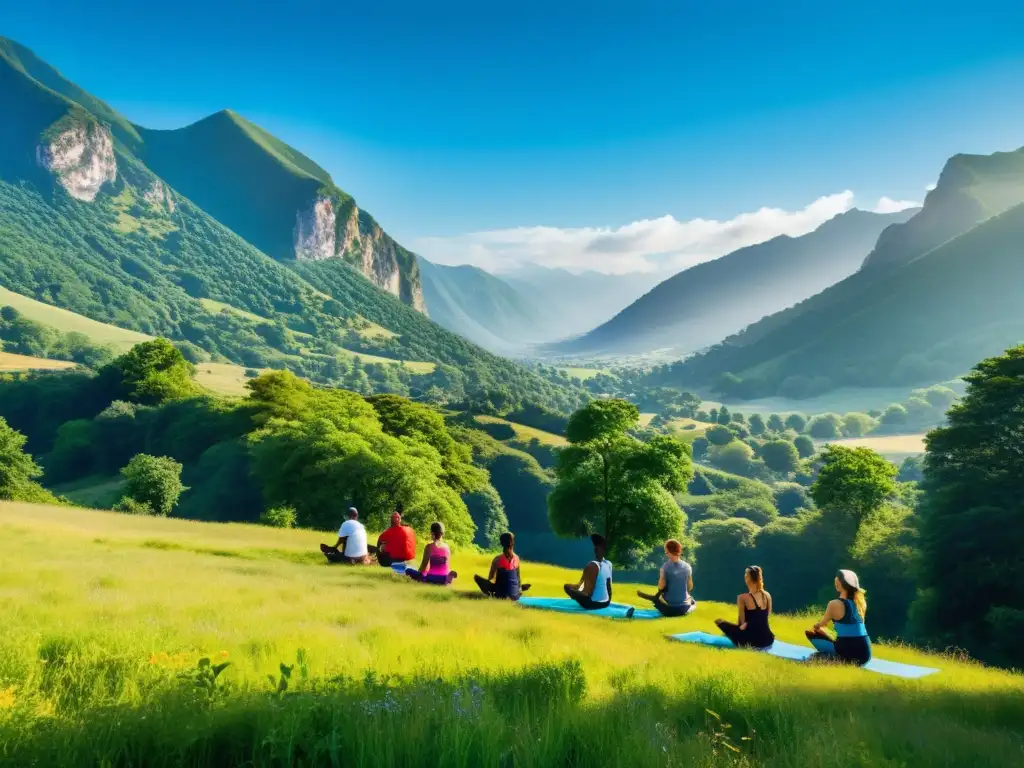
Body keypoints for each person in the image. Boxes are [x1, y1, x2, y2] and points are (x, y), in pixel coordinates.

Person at [805, 569, 872, 665]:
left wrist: (817, 626)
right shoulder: (861, 603)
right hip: (865, 655)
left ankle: (836, 658)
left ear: (838, 583)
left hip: (849, 653)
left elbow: (821, 625)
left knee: (812, 638)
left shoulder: (834, 604)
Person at [714, 565, 775, 649]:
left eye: (746, 574)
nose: (744, 576)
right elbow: (766, 616)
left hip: (752, 642)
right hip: (768, 639)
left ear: (748, 579)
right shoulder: (767, 595)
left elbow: (741, 625)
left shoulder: (742, 598)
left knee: (719, 622)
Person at [636, 539, 696, 617]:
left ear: (668, 551)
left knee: (658, 599)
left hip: (667, 610)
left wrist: (662, 576)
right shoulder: (688, 567)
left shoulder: (665, 567)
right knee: (693, 601)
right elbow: (690, 587)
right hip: (683, 609)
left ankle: (654, 599)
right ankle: (690, 606)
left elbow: (661, 587)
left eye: (666, 551)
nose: (666, 553)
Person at [564, 533, 622, 613]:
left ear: (595, 549)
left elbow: (587, 593)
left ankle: (574, 595)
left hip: (593, 604)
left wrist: (575, 593)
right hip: (607, 602)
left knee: (567, 587)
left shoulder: (592, 566)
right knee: (576, 588)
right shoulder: (609, 564)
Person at [474, 532, 532, 600]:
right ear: (513, 543)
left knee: (476, 577)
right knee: (513, 583)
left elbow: (491, 578)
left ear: (501, 543)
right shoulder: (517, 558)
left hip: (500, 595)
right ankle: (515, 589)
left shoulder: (497, 559)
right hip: (515, 596)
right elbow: (518, 578)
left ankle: (501, 591)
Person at [406, 521, 457, 585]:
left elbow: (423, 566)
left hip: (432, 578)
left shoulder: (429, 547)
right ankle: (446, 580)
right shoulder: (447, 547)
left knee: (408, 570)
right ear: (442, 533)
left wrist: (418, 575)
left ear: (432, 533)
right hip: (444, 578)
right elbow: (447, 565)